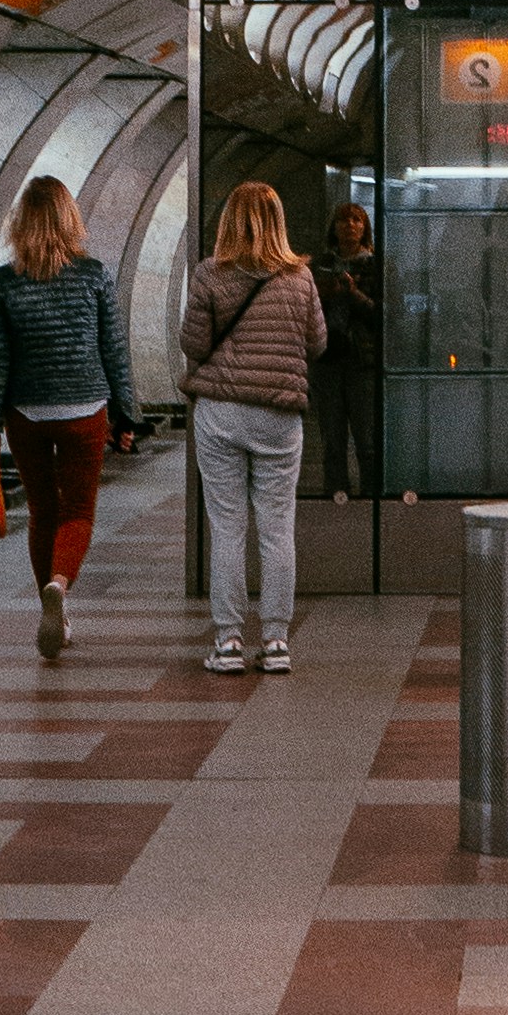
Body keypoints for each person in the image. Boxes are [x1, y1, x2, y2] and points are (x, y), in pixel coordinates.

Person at [0, 172, 136, 662]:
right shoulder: (94, 275)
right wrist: (128, 413)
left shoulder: (2, 282)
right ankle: (59, 584)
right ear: (70, 219)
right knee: (79, 511)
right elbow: (114, 349)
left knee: (43, 510)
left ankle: (54, 611)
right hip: (86, 407)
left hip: (24, 412)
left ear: (20, 223)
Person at [183, 178, 324, 674]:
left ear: (227, 221)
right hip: (279, 417)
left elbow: (194, 346)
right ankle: (277, 642)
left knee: (226, 526)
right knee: (276, 525)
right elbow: (318, 343)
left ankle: (227, 642)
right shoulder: (301, 278)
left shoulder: (209, 275)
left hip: (221, 411)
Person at [312, 196, 382, 497]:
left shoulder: (375, 266)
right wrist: (327, 293)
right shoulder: (321, 266)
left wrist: (354, 294)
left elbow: (383, 314)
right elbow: (307, 308)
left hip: (362, 359)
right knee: (332, 437)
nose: (349, 226)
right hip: (327, 358)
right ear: (334, 227)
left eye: (356, 220)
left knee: (366, 438)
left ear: (364, 228)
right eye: (343, 220)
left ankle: (371, 496)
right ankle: (336, 494)